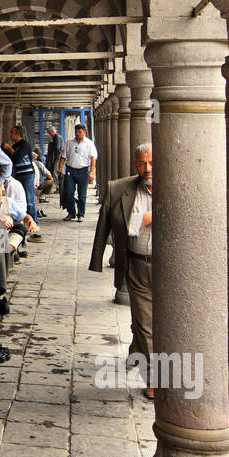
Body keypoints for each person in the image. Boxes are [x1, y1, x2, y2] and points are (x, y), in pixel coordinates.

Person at [89, 143, 155, 400]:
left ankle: (137, 350)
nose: (146, 168)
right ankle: (155, 380)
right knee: (146, 322)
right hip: (137, 265)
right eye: (141, 163)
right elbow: (126, 227)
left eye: (151, 162)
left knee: (155, 322)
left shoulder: (177, 186)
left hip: (169, 269)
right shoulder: (121, 189)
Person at [58, 123, 98, 221]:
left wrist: (92, 172)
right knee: (69, 193)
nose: (78, 134)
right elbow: (63, 156)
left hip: (83, 171)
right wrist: (60, 169)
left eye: (80, 132)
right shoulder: (69, 142)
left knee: (82, 194)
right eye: (76, 132)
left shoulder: (89, 144)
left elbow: (93, 158)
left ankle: (81, 214)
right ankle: (71, 213)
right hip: (70, 171)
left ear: (84, 132)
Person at [2, 125, 38, 223]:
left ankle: (34, 222)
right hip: (18, 175)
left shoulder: (24, 144)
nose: (10, 135)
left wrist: (9, 148)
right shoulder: (15, 146)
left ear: (17, 134)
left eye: (11, 133)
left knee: (29, 199)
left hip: (27, 175)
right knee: (20, 199)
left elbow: (17, 156)